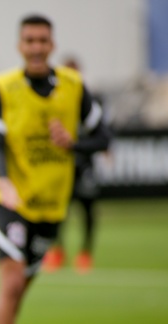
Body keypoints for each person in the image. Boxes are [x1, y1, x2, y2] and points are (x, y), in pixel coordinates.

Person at [0, 15, 110, 324]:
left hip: (51, 206)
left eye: (42, 40)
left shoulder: (74, 87)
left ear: (52, 44)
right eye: (29, 40)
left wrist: (74, 144)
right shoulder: (3, 87)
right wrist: (6, 180)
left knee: (16, 296)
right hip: (8, 200)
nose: (35, 46)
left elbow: (104, 137)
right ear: (20, 45)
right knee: (11, 285)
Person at [42, 57, 111, 274]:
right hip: (62, 166)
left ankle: (85, 253)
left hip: (85, 165)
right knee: (58, 211)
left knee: (88, 210)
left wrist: (77, 146)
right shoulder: (56, 99)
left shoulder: (87, 100)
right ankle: (57, 250)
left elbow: (102, 134)